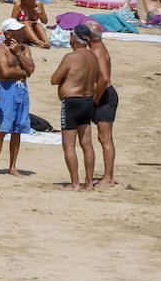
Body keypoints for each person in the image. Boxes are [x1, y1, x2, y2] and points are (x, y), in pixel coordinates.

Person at [50, 25, 99, 191]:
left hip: (71, 102)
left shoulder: (70, 57)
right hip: (87, 101)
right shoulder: (93, 57)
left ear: (74, 38)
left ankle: (75, 183)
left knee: (69, 145)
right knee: (87, 144)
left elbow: (55, 79)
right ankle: (90, 182)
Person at [0, 19, 36, 177]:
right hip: (6, 91)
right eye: (18, 30)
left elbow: (31, 68)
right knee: (1, 129)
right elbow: (4, 73)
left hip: (21, 90)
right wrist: (24, 72)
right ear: (8, 34)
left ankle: (12, 166)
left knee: (18, 130)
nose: (22, 32)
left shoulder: (24, 48)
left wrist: (18, 53)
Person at [85, 22, 117, 188]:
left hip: (105, 96)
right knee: (103, 138)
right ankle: (107, 175)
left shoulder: (97, 51)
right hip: (104, 95)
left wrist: (95, 100)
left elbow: (103, 79)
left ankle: (108, 178)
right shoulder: (98, 48)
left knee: (105, 139)